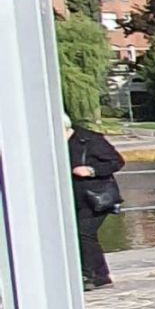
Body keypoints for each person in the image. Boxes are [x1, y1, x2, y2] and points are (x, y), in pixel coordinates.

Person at [67, 118, 123, 291]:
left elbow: (117, 161)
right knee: (83, 234)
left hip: (95, 197)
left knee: (84, 233)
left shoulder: (89, 140)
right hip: (72, 197)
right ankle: (100, 275)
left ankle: (90, 275)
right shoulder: (52, 144)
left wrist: (91, 171)